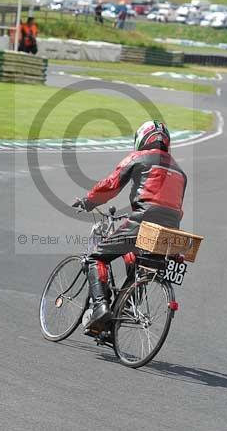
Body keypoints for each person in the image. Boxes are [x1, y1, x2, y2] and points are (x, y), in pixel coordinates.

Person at [72, 121, 187, 329]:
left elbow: (110, 185)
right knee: (142, 266)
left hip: (142, 221)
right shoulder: (180, 172)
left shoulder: (139, 158)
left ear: (143, 138)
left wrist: (89, 201)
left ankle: (100, 307)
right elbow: (176, 206)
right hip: (170, 231)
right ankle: (122, 312)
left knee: (96, 256)